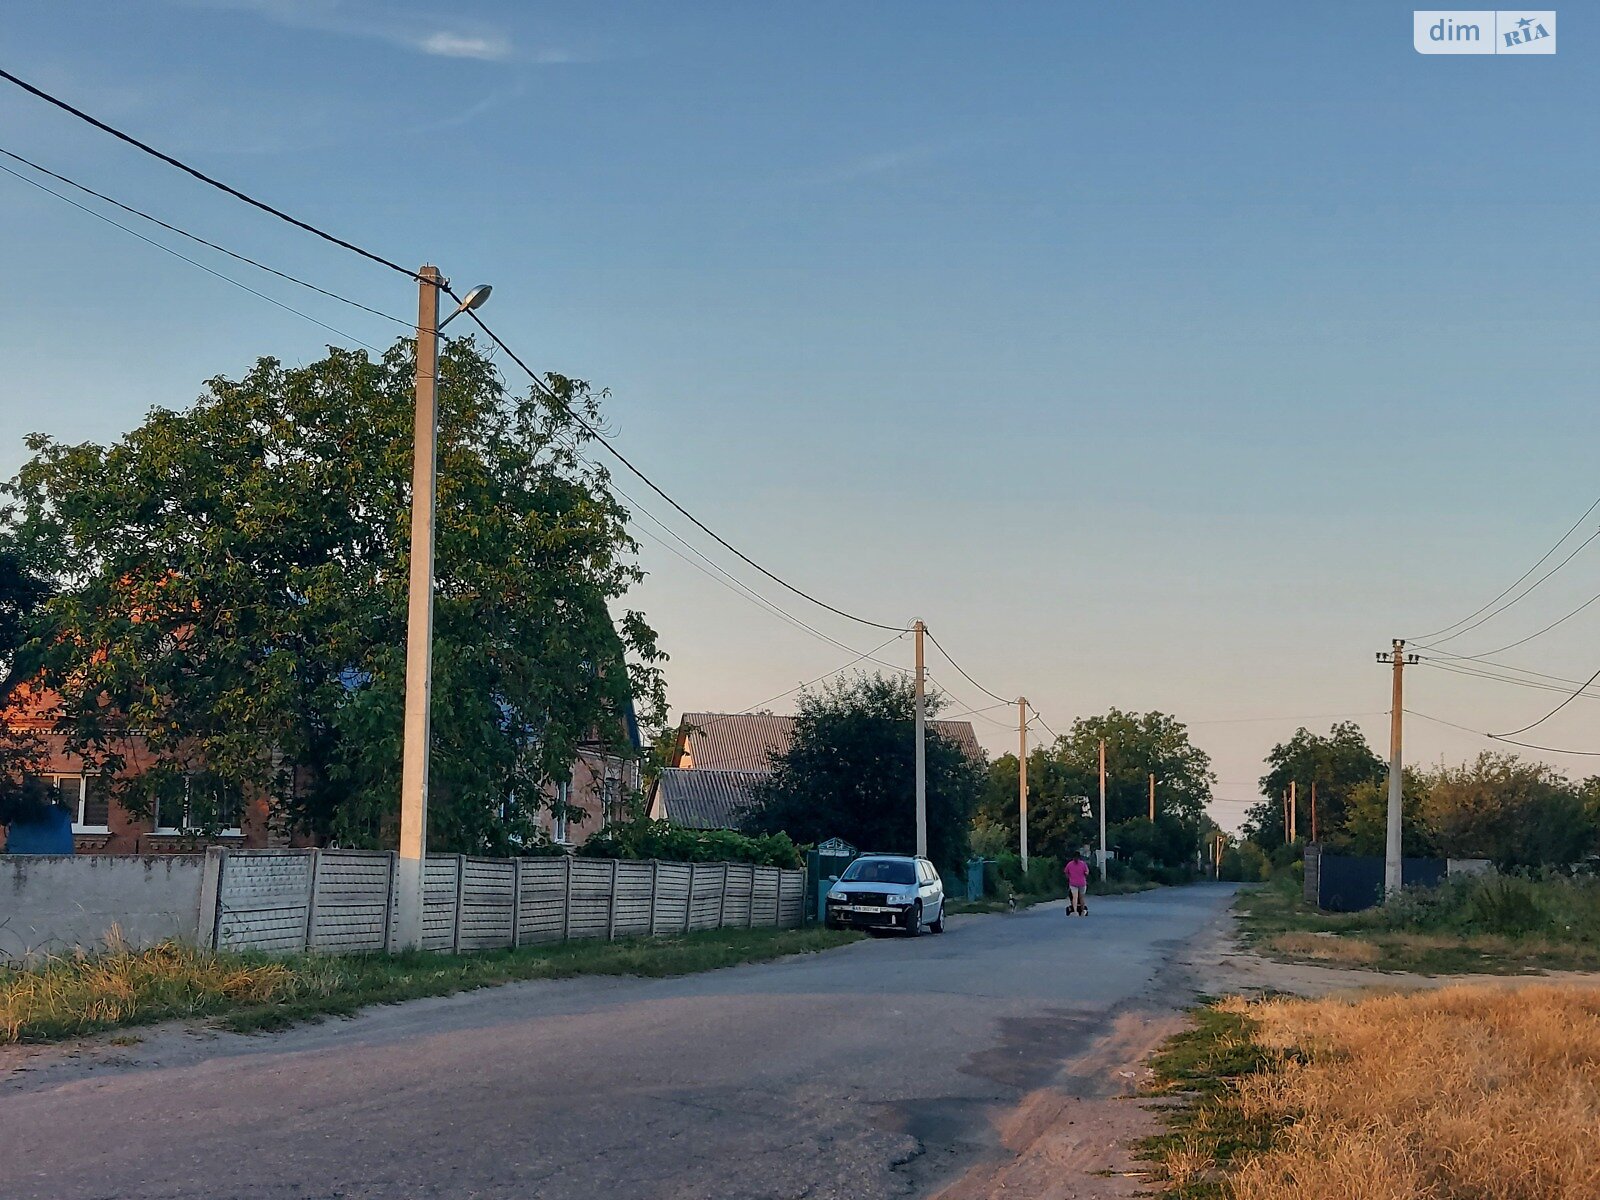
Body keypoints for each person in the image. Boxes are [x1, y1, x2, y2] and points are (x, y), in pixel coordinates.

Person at [1063, 851, 1090, 917]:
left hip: (1077, 883)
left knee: (1077, 897)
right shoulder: (1082, 864)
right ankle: (1080, 911)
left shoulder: (1070, 864)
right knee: (1079, 897)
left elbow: (1066, 872)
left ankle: (1077, 911)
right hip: (1078, 883)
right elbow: (1087, 872)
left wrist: (1068, 877)